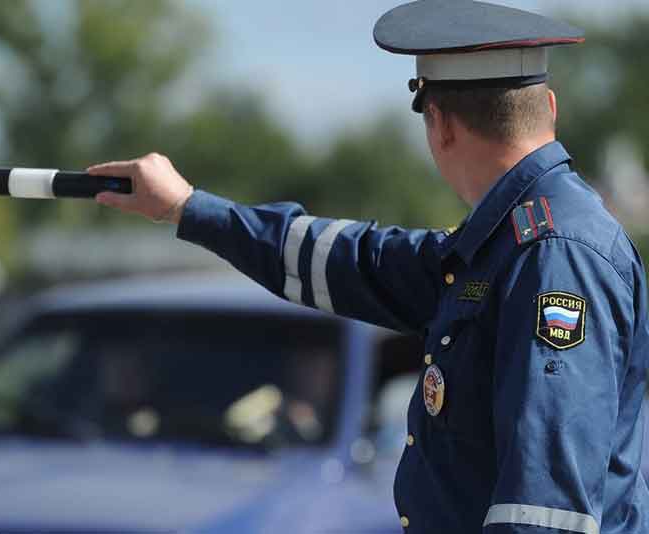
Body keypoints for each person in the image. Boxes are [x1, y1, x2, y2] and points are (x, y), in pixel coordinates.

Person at [89, 1, 649, 532]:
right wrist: (187, 207)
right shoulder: (505, 242)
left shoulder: (551, 252)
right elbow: (353, 260)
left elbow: (544, 511)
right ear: (548, 108)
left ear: (440, 123)